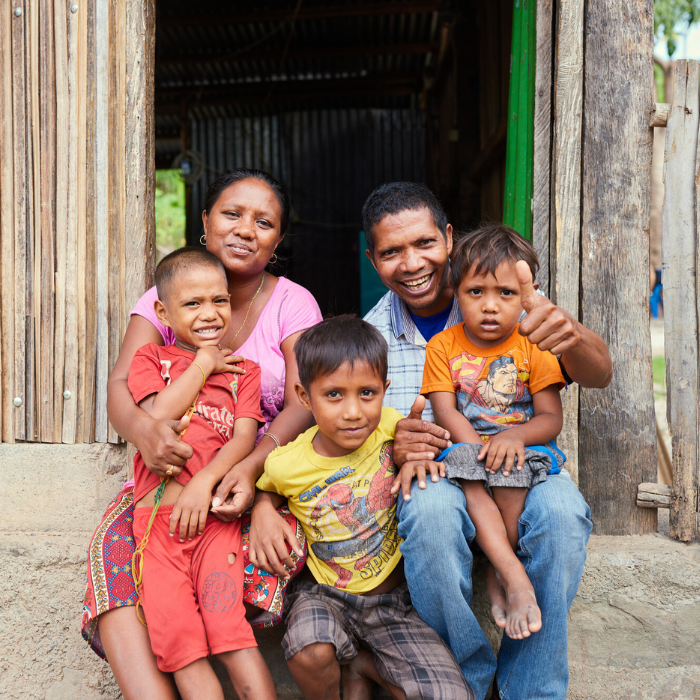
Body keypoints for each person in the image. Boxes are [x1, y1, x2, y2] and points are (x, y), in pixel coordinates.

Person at [358, 182, 610, 700]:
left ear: (448, 239)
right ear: (372, 259)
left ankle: (531, 690)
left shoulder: (510, 302)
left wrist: (571, 331)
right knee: (426, 514)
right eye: (391, 252)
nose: (411, 263)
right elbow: (355, 434)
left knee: (562, 516)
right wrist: (393, 444)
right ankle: (459, 684)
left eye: (424, 243)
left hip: (527, 463)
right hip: (447, 472)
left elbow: (597, 375)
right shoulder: (369, 338)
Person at [82, 168, 322, 700]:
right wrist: (146, 432)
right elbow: (123, 385)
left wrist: (247, 474)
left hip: (259, 474)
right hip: (164, 478)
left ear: (278, 240)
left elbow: (305, 403)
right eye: (232, 214)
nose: (245, 229)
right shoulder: (164, 296)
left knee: (242, 577)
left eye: (264, 222)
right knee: (117, 561)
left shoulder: (293, 302)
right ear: (206, 222)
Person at [254, 316, 475, 700]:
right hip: (323, 597)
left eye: (367, 393)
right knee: (308, 650)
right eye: (334, 395)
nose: (354, 411)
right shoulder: (285, 462)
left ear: (385, 390)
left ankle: (362, 664)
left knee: (450, 695)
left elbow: (431, 454)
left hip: (394, 603)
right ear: (305, 398)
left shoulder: (394, 428)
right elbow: (267, 489)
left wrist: (421, 458)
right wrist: (261, 511)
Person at [128, 247, 275, 699]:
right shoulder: (150, 359)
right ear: (162, 311)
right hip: (159, 531)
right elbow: (159, 415)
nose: (210, 314)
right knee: (180, 645)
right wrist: (203, 363)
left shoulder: (245, 373)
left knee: (229, 632)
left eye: (220, 301)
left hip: (214, 525)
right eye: (193, 304)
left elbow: (242, 440)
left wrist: (201, 483)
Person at [421, 225, 566, 642]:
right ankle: (512, 574)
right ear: (455, 291)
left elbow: (550, 418)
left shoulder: (534, 346)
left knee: (509, 474)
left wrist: (513, 439)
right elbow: (445, 410)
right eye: (475, 292)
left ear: (527, 294)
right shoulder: (442, 347)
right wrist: (475, 450)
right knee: (469, 475)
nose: (489, 306)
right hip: (466, 443)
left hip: (525, 447)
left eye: (504, 294)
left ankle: (500, 573)